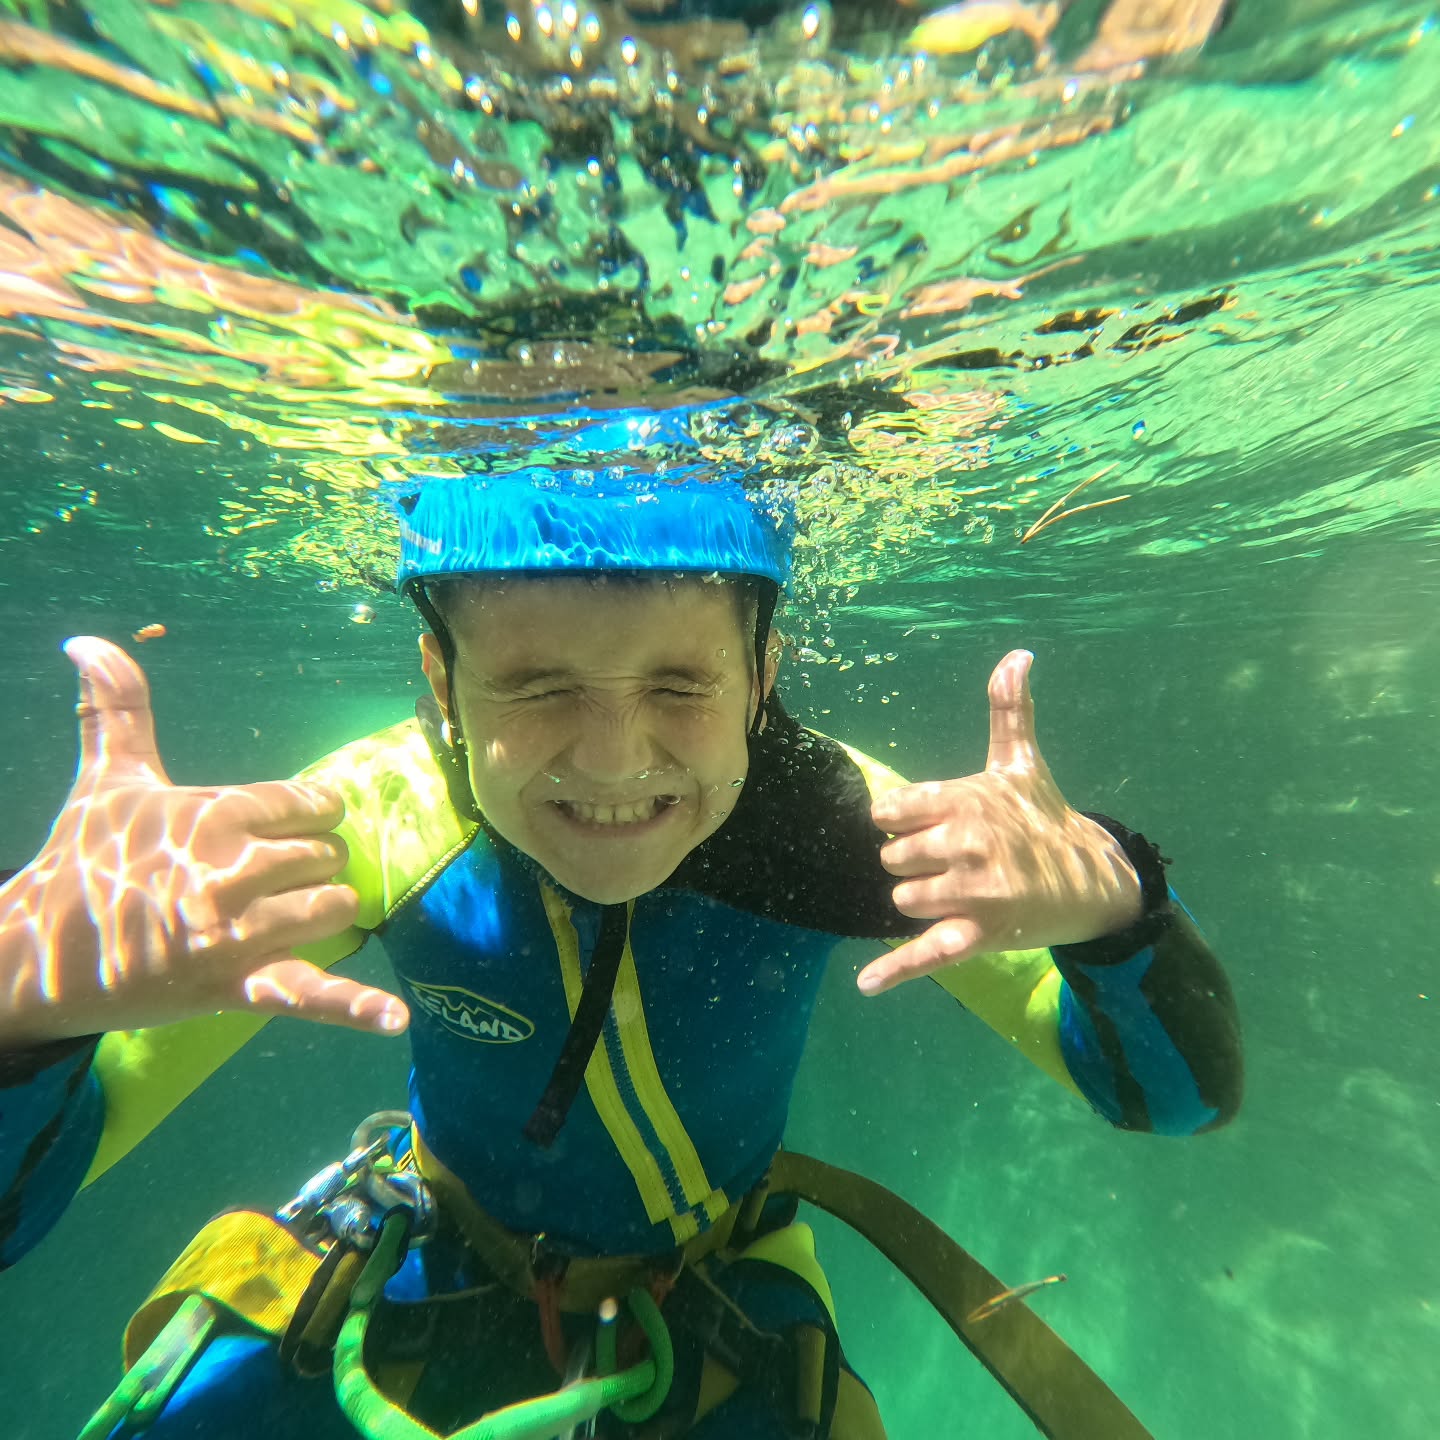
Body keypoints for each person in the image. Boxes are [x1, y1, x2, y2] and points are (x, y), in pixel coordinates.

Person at [0, 448, 1242, 1439]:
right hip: (431, 1251)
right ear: (441, 680)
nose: (612, 762)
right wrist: (27, 1012)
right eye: (538, 689)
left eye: (681, 688)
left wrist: (1115, 910)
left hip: (715, 1295)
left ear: (764, 674)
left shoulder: (851, 826)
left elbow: (1177, 1103)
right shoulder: (373, 815)